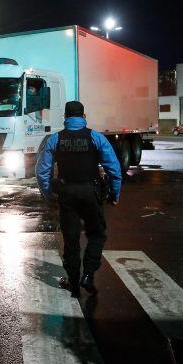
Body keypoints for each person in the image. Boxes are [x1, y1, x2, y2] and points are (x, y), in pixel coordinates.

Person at [35, 100, 122, 297]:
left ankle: (73, 282)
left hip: (67, 194)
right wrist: (114, 194)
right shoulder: (96, 137)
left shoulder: (55, 139)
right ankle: (88, 275)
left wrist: (49, 195)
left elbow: (42, 171)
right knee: (96, 234)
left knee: (71, 239)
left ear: (65, 118)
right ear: (84, 117)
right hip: (90, 193)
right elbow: (114, 169)